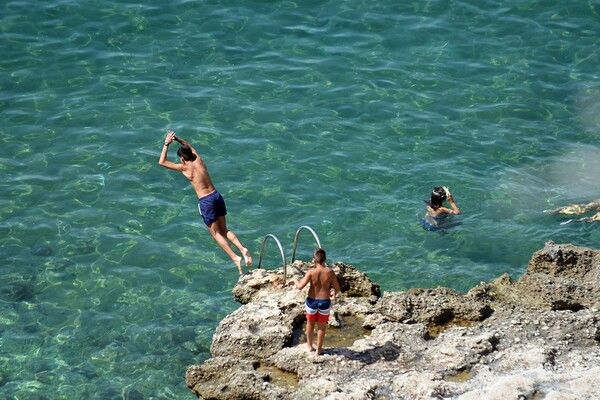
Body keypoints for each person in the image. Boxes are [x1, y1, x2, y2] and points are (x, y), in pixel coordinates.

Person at [158, 130, 252, 274]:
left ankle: (235, 257)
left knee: (216, 234)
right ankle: (242, 248)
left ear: (182, 159)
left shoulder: (185, 167)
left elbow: (162, 162)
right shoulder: (198, 160)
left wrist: (166, 143)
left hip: (206, 201)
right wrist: (177, 139)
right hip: (216, 196)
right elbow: (188, 144)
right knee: (224, 230)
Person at [288, 248, 341, 355]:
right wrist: (334, 293)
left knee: (310, 324)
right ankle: (319, 349)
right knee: (322, 326)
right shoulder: (330, 272)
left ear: (314, 260)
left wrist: (294, 279)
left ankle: (309, 345)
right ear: (325, 259)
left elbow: (300, 286)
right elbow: (337, 288)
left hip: (312, 302)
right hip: (325, 302)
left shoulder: (311, 272)